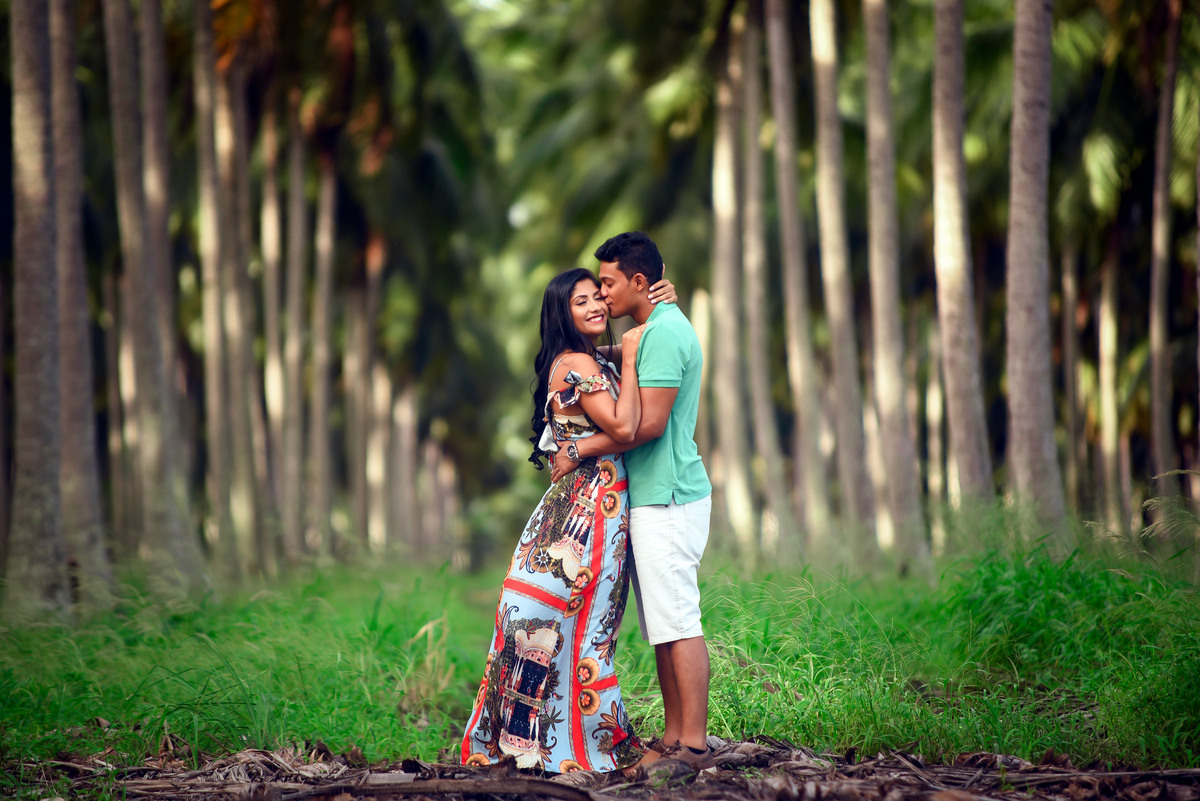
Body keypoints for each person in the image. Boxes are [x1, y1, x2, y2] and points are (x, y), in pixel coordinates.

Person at [460, 267, 678, 774]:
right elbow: (625, 423)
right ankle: (591, 746)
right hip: (589, 512)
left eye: (598, 296)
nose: (596, 306)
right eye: (581, 302)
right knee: (585, 630)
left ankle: (535, 744)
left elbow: (637, 354)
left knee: (572, 627)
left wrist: (660, 305)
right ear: (563, 312)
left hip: (583, 506)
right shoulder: (577, 363)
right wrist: (629, 356)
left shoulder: (588, 358)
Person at [551, 232, 715, 771]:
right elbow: (605, 366)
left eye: (607, 283)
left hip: (669, 496)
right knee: (662, 626)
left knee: (679, 621)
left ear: (639, 281)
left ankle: (693, 745)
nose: (602, 294)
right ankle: (673, 738)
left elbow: (647, 425)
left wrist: (578, 447)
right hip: (651, 497)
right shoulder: (648, 331)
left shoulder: (663, 333)